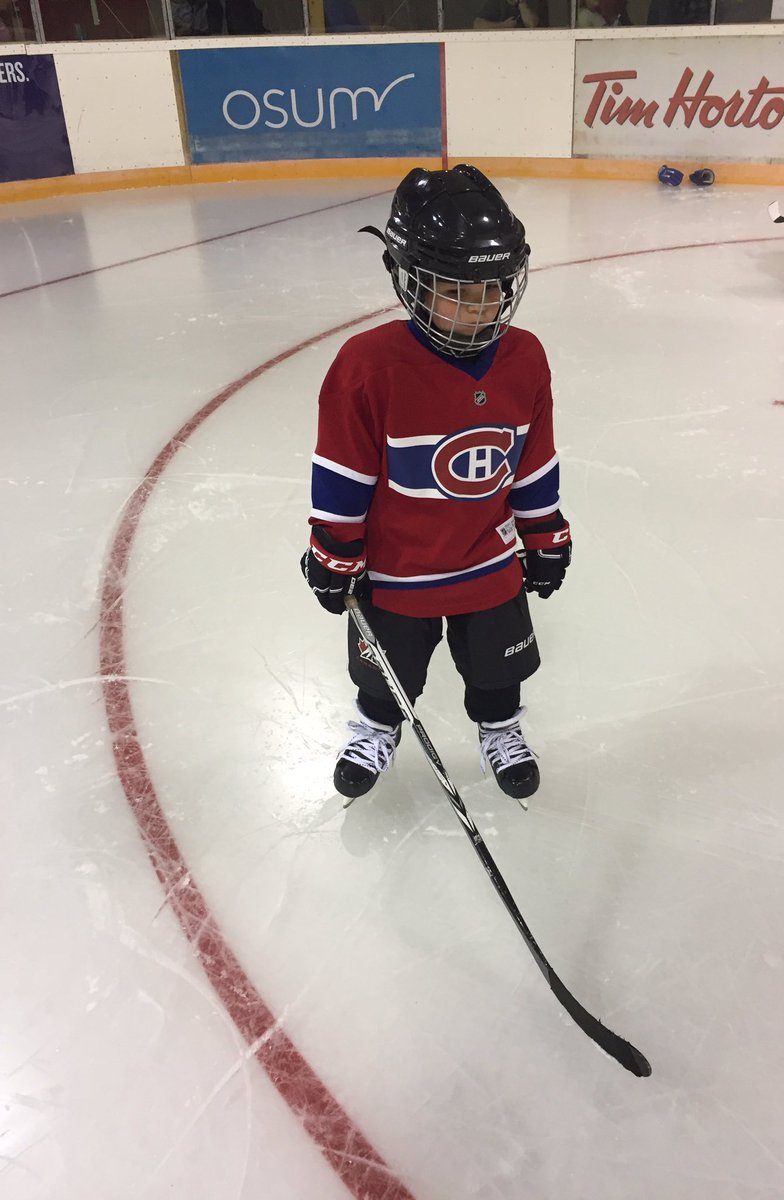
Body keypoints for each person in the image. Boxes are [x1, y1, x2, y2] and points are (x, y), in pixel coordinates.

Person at [301, 165, 572, 806]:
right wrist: (333, 552)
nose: (482, 304)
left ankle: (501, 729)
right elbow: (343, 472)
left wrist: (545, 534)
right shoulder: (369, 366)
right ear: (408, 281)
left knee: (498, 670)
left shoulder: (524, 357)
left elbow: (532, 460)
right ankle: (375, 726)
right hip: (397, 570)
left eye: (495, 286)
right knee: (385, 674)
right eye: (457, 288)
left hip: (489, 558)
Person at [473, 0, 546, 28]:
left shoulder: (530, 2)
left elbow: (532, 24)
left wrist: (522, 3)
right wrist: (504, 26)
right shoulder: (495, 2)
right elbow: (477, 25)